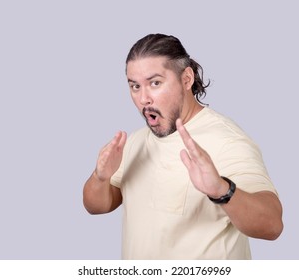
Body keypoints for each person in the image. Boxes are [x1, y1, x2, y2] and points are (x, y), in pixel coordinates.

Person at [83, 33, 283, 259]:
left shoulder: (227, 140)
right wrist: (100, 177)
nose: (143, 99)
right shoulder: (136, 142)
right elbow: (96, 206)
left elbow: (272, 225)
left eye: (155, 83)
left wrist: (221, 190)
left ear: (186, 79)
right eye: (135, 86)